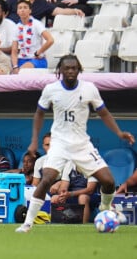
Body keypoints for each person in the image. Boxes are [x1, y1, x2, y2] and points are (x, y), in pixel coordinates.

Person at [16, 55, 135, 233]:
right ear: (60, 70)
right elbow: (39, 114)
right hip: (59, 144)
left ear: (79, 70)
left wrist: (119, 132)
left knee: (108, 181)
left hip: (81, 145)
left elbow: (104, 113)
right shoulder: (51, 89)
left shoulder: (89, 89)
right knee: (46, 179)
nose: (70, 71)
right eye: (67, 68)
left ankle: (105, 207)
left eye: (74, 68)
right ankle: (28, 223)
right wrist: (34, 141)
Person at [11, 0, 54, 72]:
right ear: (17, 12)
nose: (22, 10)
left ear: (30, 10)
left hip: (36, 59)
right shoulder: (16, 27)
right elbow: (14, 51)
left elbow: (50, 40)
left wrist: (38, 52)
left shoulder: (37, 24)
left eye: (25, 7)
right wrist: (15, 66)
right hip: (21, 59)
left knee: (23, 71)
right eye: (20, 8)